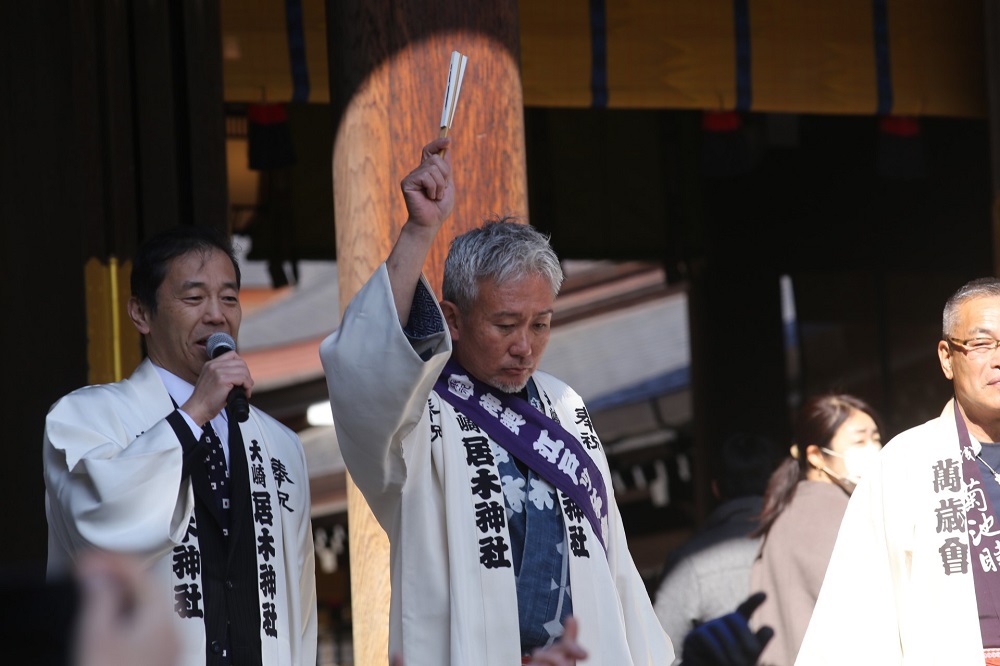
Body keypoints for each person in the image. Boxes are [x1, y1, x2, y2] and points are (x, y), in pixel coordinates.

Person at [319, 135, 673, 665]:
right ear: (453, 319)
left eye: (541, 324)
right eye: (505, 324)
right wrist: (420, 231)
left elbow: (613, 557)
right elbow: (363, 368)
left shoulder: (564, 404)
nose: (524, 345)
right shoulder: (419, 411)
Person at [43, 225, 317, 665]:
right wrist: (194, 413)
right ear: (141, 314)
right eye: (193, 299)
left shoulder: (280, 444)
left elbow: (299, 604)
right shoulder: (84, 419)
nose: (216, 315)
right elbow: (99, 528)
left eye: (229, 298)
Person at [796, 277, 1000, 664]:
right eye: (980, 343)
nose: (997, 358)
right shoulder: (904, 463)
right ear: (946, 357)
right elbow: (858, 615)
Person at [747, 394, 883, 665]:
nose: (874, 448)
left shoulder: (785, 512)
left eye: (876, 438)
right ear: (816, 456)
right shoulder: (842, 515)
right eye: (859, 441)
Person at [654, 432, 781, 661]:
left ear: (715, 489)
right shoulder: (816, 540)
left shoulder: (689, 562)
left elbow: (660, 654)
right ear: (778, 485)